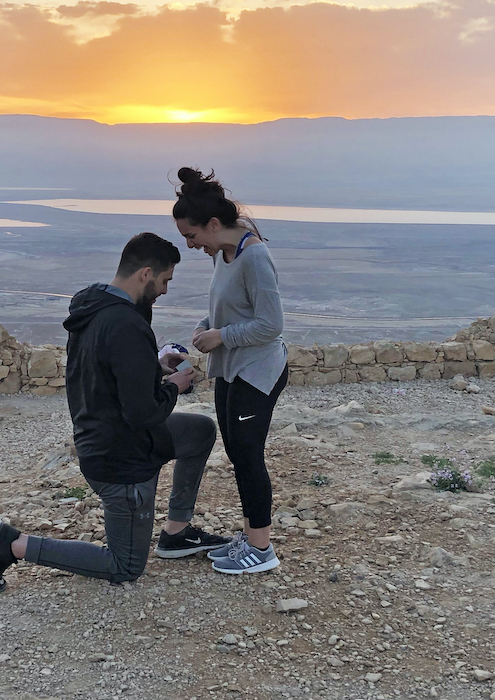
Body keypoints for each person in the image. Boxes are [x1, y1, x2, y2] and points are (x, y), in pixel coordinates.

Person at [0, 232, 229, 591]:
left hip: (103, 435)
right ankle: (14, 545)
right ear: (145, 273)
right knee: (124, 566)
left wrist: (155, 366)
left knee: (199, 432)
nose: (165, 290)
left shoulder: (94, 309)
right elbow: (143, 413)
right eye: (164, 280)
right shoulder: (126, 324)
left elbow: (107, 373)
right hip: (119, 459)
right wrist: (175, 385)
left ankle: (176, 531)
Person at [172, 168, 288, 575]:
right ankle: (250, 536)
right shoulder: (224, 253)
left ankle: (262, 548)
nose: (190, 245)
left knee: (249, 457)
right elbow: (231, 306)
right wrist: (208, 325)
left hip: (257, 371)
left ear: (214, 224)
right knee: (239, 455)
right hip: (232, 370)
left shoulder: (254, 256)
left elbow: (271, 325)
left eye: (192, 235)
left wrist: (223, 335)